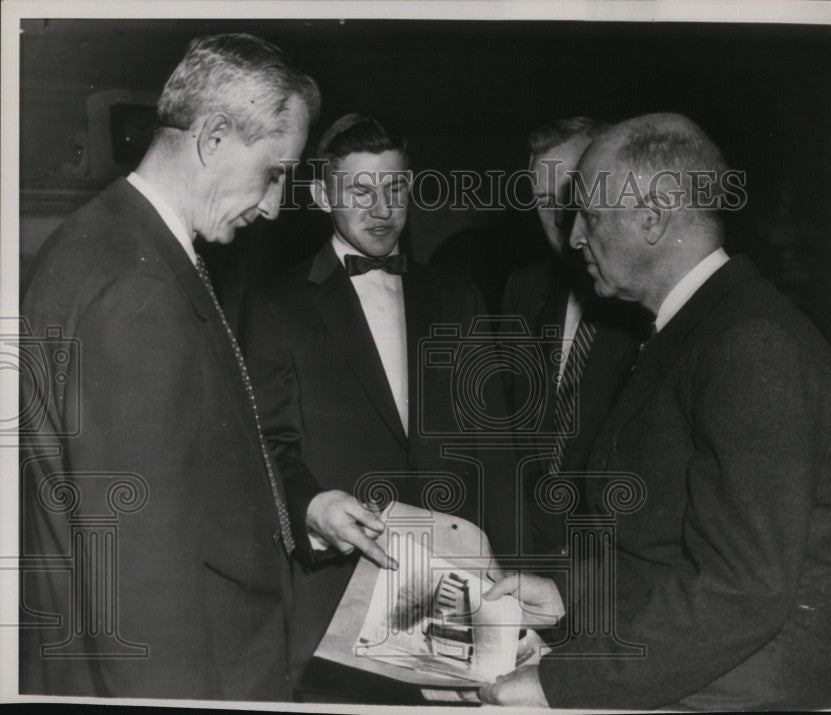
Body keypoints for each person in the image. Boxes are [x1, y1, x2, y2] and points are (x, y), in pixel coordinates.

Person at [480, 112, 831, 710]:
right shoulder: (703, 327)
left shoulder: (750, 343)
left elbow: (741, 593)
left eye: (591, 217)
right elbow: (671, 547)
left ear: (651, 219)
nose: (574, 237)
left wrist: (557, 684)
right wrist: (567, 597)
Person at [19, 34, 320, 699]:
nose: (274, 205)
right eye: (274, 171)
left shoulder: (105, 240)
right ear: (213, 137)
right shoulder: (138, 290)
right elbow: (142, 595)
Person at [238, 114, 514, 690]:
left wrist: (511, 585)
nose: (381, 209)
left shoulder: (458, 296)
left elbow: (494, 450)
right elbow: (267, 445)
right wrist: (311, 504)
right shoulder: (275, 305)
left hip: (455, 588)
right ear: (320, 195)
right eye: (359, 191)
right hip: (337, 592)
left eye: (394, 188)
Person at [502, 117, 648, 554]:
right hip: (526, 553)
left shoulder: (648, 301)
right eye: (546, 201)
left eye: (575, 195)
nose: (563, 218)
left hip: (613, 561)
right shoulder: (523, 291)